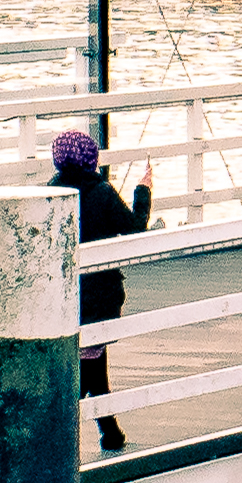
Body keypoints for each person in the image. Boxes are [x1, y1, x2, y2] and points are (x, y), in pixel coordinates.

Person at [49, 126, 150, 455]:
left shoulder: (48, 195)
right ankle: (59, 432)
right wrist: (143, 191)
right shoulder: (102, 193)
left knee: (91, 363)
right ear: (90, 159)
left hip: (63, 297)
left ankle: (110, 431)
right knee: (89, 367)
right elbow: (134, 228)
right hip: (100, 296)